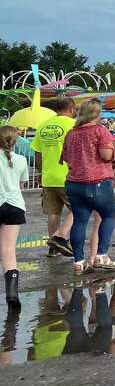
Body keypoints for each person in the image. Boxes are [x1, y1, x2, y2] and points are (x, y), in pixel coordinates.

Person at [61, 99, 115, 275]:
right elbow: (106, 154)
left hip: (74, 183)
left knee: (79, 221)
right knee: (109, 215)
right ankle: (101, 255)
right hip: (98, 182)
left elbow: (67, 158)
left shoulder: (71, 133)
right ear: (96, 113)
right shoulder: (100, 131)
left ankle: (79, 262)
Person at [30, 97, 76, 258]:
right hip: (68, 175)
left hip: (48, 176)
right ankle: (60, 236)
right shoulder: (73, 125)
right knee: (79, 208)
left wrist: (41, 172)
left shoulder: (42, 126)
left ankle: (53, 247)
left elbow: (37, 153)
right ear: (71, 109)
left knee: (53, 212)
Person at [1, 126, 30, 309]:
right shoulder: (21, 159)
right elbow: (22, 183)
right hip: (14, 206)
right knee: (8, 250)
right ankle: (12, 295)